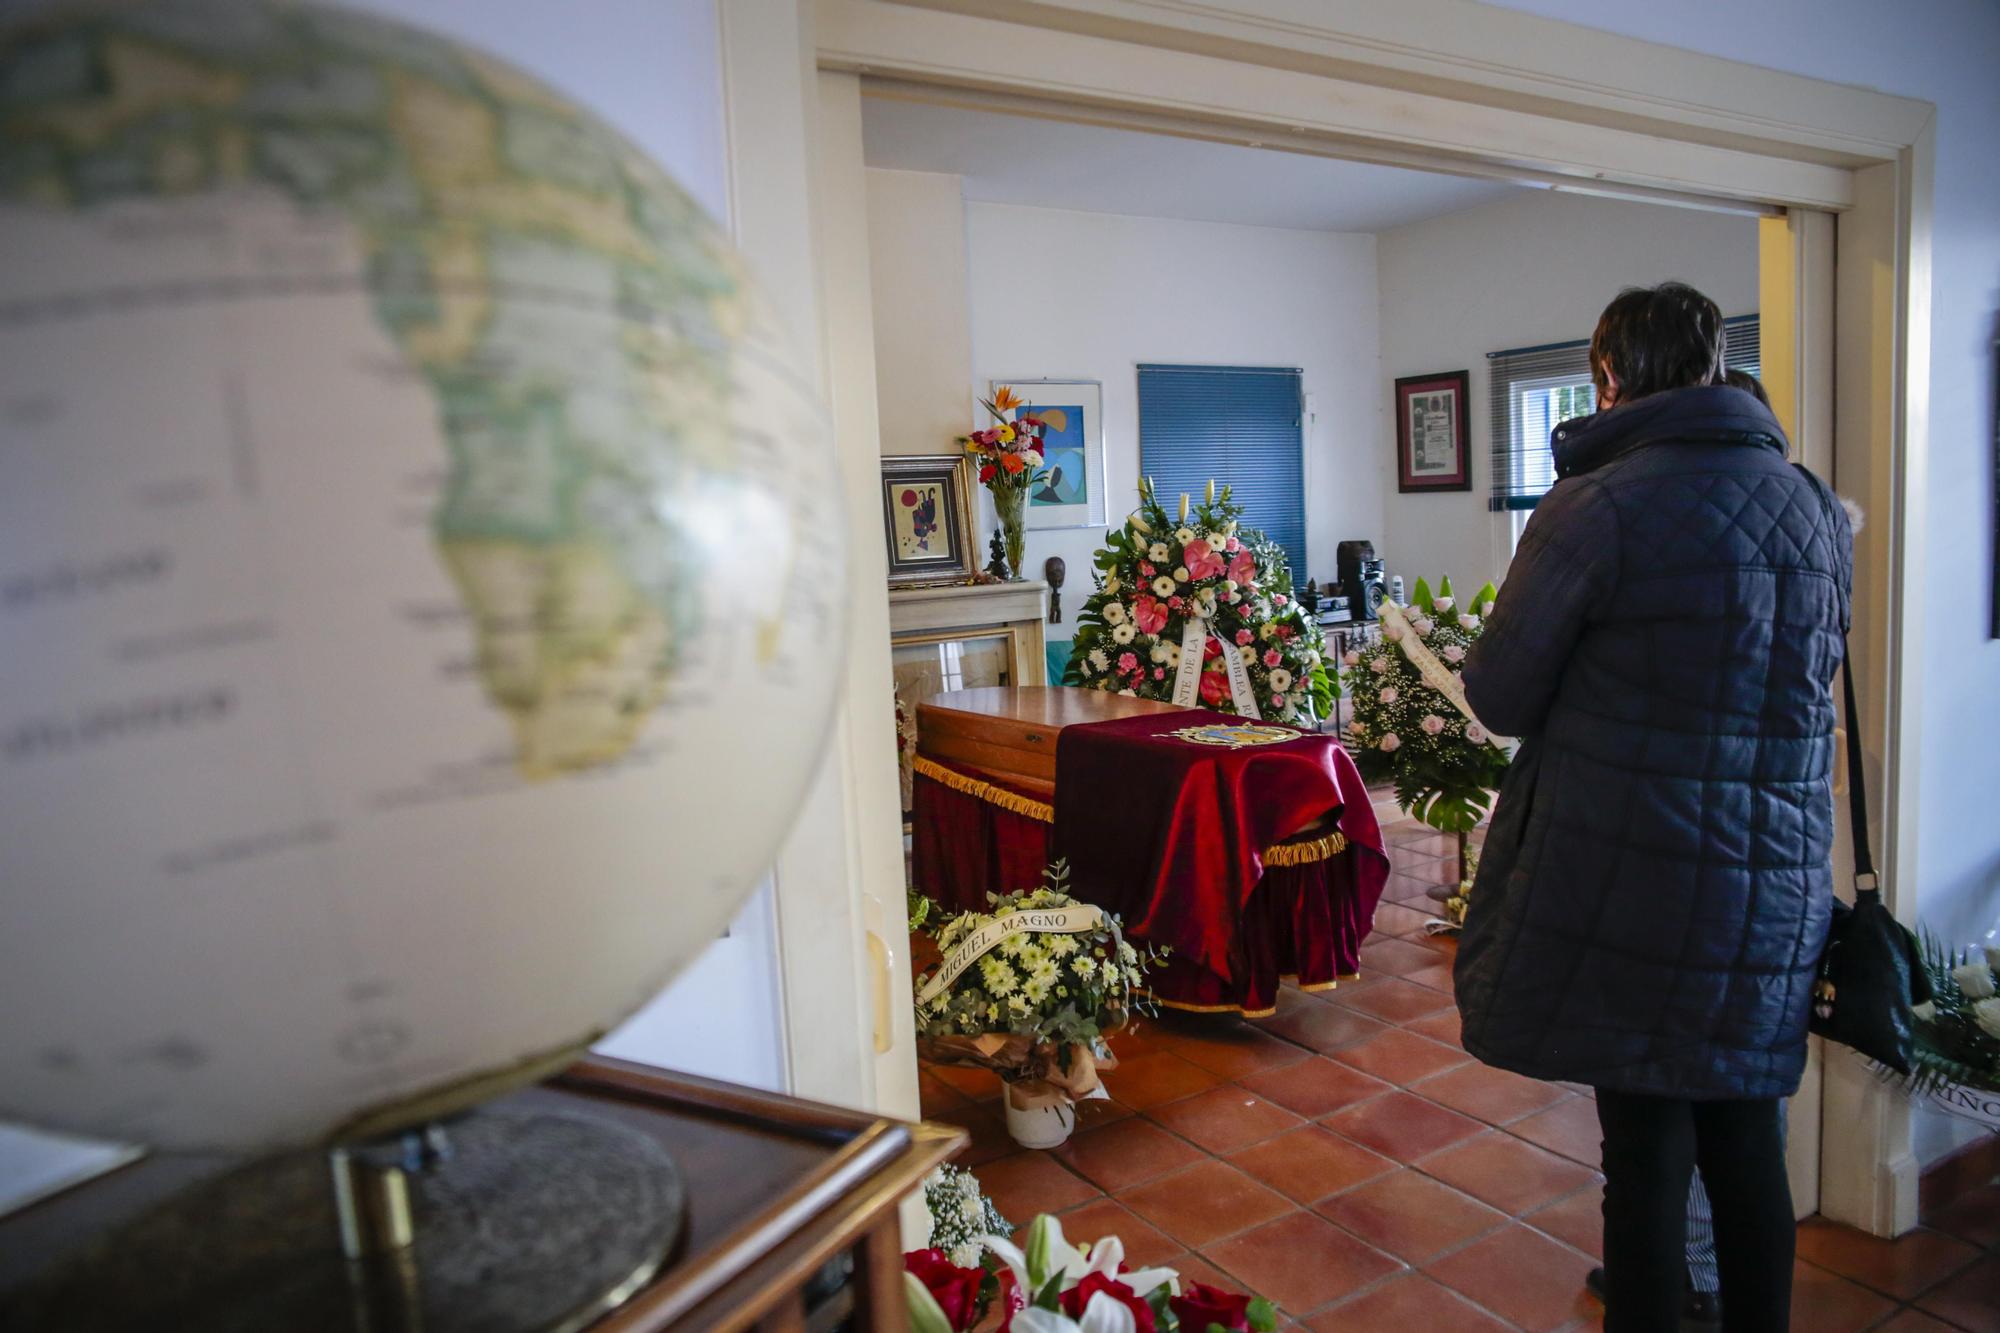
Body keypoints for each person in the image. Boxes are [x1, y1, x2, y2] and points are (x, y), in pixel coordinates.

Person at [1452, 284, 1849, 1332]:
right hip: (1771, 877)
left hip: (1633, 873)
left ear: (1608, 376)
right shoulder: (1808, 503)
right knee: (1745, 1145)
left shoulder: (1597, 506)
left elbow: (1497, 693)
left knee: (1643, 1156)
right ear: (1715, 365)